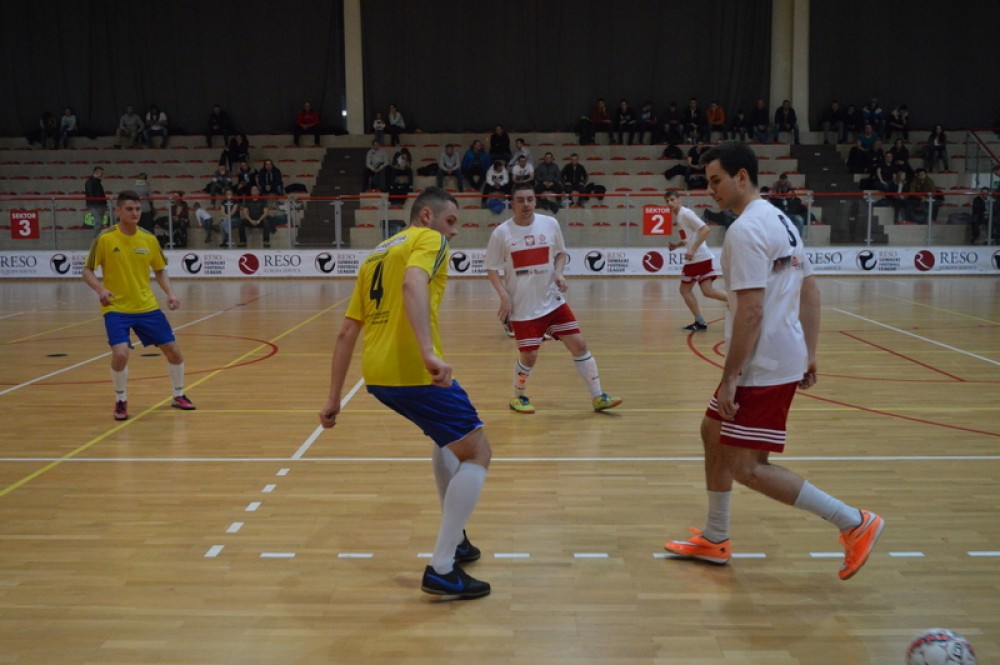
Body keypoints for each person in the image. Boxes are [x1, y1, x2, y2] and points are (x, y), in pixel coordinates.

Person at [662, 141, 884, 581]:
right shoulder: (782, 219)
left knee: (748, 467)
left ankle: (854, 522)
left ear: (741, 176)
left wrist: (731, 378)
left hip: (761, 366)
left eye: (716, 180)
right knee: (712, 431)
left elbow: (750, 312)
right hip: (779, 356)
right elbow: (810, 291)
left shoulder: (745, 230)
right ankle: (715, 535)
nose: (711, 190)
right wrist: (810, 352)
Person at [318, 186, 492, 600]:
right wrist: (428, 352)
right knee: (477, 451)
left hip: (378, 375)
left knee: (448, 439)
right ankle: (442, 567)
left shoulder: (376, 254)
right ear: (427, 216)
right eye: (451, 221)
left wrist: (334, 397)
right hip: (413, 369)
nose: (454, 231)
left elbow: (347, 331)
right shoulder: (428, 240)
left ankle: (458, 542)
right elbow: (413, 284)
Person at [485, 183, 622, 414]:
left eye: (530, 199)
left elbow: (560, 253)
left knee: (579, 345)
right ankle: (518, 397)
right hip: (523, 307)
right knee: (529, 356)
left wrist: (559, 273)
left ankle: (598, 397)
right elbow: (491, 268)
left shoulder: (550, 224)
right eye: (520, 200)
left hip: (553, 301)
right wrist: (503, 296)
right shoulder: (501, 233)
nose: (526, 204)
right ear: (512, 203)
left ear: (535, 201)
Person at [82, 191, 196, 421]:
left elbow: (160, 270)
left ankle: (178, 394)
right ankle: (121, 399)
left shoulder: (149, 238)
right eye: (129, 209)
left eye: (137, 209)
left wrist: (170, 294)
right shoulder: (105, 238)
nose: (135, 213)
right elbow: (87, 271)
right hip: (116, 308)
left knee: (174, 352)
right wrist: (101, 290)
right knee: (121, 354)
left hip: (147, 307)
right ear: (118, 211)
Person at [664, 191, 728, 332]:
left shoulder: (686, 214)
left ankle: (700, 322)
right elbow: (688, 238)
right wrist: (677, 245)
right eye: (667, 201)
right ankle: (737, 302)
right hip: (702, 257)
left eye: (672, 199)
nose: (670, 203)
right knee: (708, 291)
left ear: (679, 200)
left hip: (697, 258)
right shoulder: (680, 217)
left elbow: (705, 229)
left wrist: (692, 249)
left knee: (684, 290)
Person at [84, 167, 108, 236]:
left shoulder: (97, 182)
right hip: (95, 205)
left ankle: (98, 237)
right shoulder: (90, 182)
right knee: (98, 222)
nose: (102, 174)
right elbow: (91, 194)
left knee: (100, 223)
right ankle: (96, 238)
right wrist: (97, 204)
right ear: (96, 172)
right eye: (101, 173)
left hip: (100, 205)